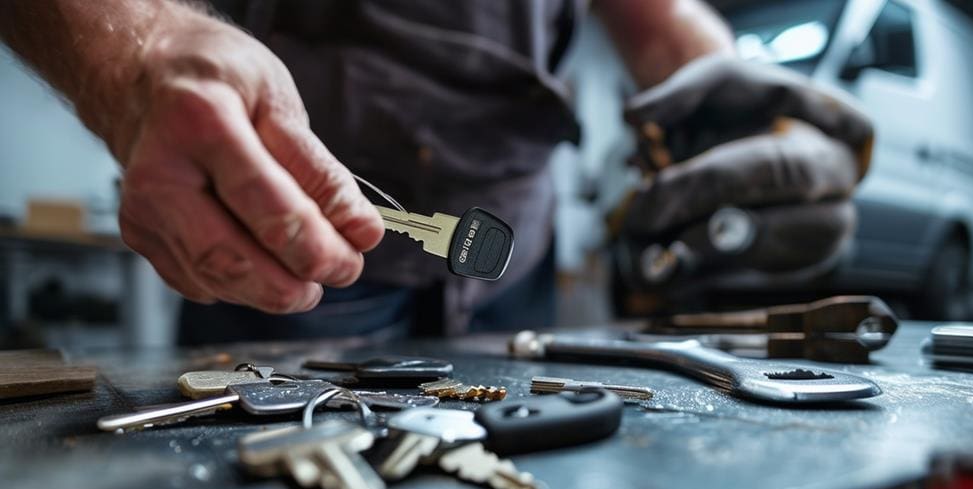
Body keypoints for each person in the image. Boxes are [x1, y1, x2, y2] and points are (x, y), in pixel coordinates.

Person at [0, 0, 872, 343]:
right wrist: (132, 57)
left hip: (514, 256)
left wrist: (705, 78)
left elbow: (651, 20)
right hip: (279, 250)